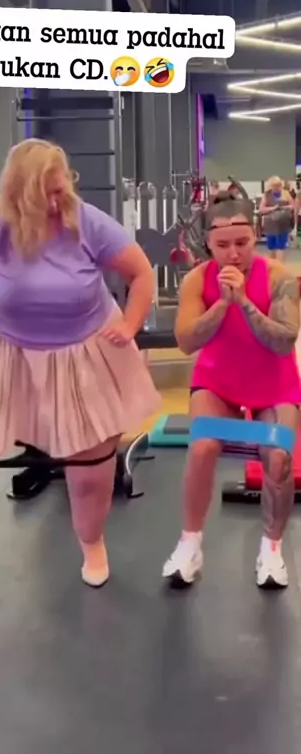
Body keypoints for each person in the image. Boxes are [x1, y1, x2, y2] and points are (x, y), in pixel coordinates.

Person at [0, 138, 161, 588]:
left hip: (83, 345)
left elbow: (140, 273)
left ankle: (92, 543)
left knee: (90, 460)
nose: (57, 202)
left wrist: (131, 324)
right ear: (20, 192)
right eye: (47, 194)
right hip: (1, 344)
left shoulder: (87, 221)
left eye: (62, 189)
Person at [162, 191, 301, 589]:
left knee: (278, 458)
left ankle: (271, 550)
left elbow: (284, 342)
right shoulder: (197, 280)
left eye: (242, 242)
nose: (234, 253)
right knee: (203, 447)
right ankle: (190, 545)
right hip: (218, 382)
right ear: (209, 243)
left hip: (273, 384)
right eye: (223, 245)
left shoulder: (279, 278)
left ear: (255, 235)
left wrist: (244, 303)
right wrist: (222, 304)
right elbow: (186, 342)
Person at [259, 175, 294, 262]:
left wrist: (286, 207)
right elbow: (261, 209)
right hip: (270, 224)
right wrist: (273, 208)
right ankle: (272, 266)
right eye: (275, 186)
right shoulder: (267, 195)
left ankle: (280, 266)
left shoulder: (285, 193)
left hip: (283, 223)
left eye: (279, 185)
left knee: (280, 246)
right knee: (272, 247)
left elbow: (293, 206)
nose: (277, 188)